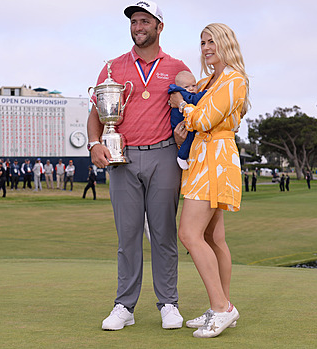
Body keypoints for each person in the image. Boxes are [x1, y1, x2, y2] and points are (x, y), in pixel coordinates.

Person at [88, 1, 189, 331]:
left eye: (145, 20)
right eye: (134, 21)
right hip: (123, 158)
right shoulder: (113, 67)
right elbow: (96, 115)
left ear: (159, 26)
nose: (138, 26)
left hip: (163, 156)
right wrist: (94, 144)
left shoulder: (177, 67)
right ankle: (124, 305)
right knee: (127, 235)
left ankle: (168, 303)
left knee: (163, 234)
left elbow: (191, 107)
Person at [169, 22, 249, 338]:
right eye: (202, 42)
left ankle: (221, 308)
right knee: (214, 238)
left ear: (226, 43)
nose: (206, 48)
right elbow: (195, 121)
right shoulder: (208, 80)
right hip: (203, 157)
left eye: (212, 41)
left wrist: (182, 105)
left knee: (189, 234)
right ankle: (222, 304)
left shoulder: (234, 80)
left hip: (215, 159)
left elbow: (202, 119)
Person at [168, 70, 206, 170]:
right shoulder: (182, 94)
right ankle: (182, 156)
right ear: (180, 87)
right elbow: (193, 100)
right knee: (189, 137)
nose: (191, 89)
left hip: (183, 121)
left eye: (194, 85)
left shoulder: (181, 92)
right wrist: (207, 92)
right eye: (187, 87)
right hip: (180, 123)